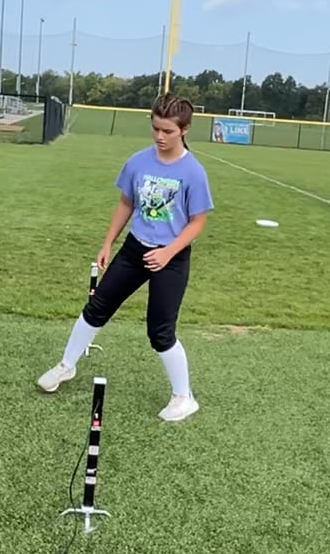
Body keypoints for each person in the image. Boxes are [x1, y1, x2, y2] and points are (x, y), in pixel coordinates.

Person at [38, 93, 213, 422]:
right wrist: (108, 243)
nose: (160, 136)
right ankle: (66, 365)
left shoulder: (193, 172)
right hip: (134, 249)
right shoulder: (138, 162)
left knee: (160, 332)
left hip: (171, 257)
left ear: (184, 130)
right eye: (155, 128)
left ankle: (184, 397)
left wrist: (168, 253)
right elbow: (126, 204)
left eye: (168, 131)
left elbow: (197, 222)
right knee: (97, 307)